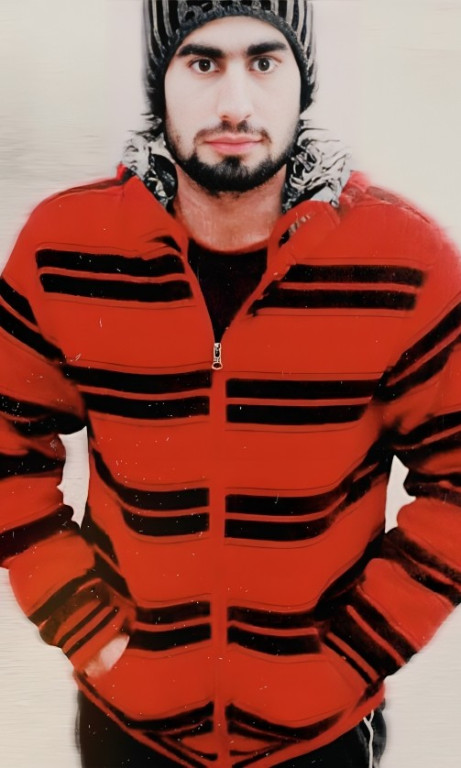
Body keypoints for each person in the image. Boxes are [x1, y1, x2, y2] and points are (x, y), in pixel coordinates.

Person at [0, 1, 460, 766]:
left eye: (264, 61)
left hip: (318, 737)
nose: (235, 104)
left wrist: (349, 661)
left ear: (302, 80)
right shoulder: (65, 249)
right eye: (202, 62)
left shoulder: (403, 262)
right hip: (128, 730)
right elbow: (7, 453)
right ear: (159, 80)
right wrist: (92, 636)